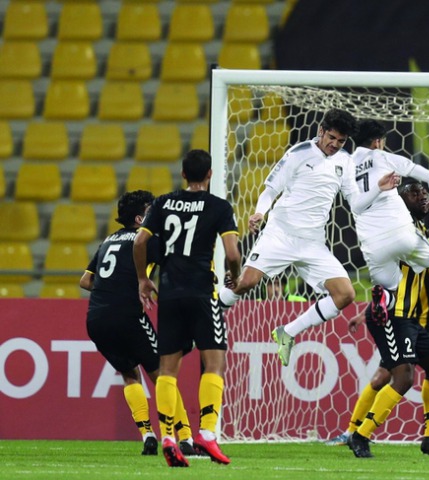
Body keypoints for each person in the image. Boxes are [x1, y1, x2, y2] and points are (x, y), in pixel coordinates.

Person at [218, 109, 389, 366]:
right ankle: (211, 312)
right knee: (245, 283)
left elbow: (355, 202)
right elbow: (270, 189)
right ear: (321, 130)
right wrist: (259, 213)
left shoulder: (345, 161)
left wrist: (378, 189)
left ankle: (287, 332)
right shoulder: (298, 153)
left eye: (340, 141)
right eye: (331, 137)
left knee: (345, 294)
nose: (334, 144)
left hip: (313, 243)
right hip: (281, 234)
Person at [329, 181, 429, 450]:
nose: (422, 196)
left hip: (411, 318)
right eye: (414, 193)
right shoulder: (400, 229)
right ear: (400, 200)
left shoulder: (418, 229)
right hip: (392, 315)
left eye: (424, 193)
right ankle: (360, 434)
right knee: (402, 378)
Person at [134, 150, 241, 467]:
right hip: (201, 293)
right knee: (214, 363)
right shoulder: (219, 207)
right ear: (209, 175)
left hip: (169, 294)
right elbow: (232, 253)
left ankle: (169, 436)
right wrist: (234, 277)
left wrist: (142, 279)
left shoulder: (163, 203)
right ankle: (207, 433)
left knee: (167, 371)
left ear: (182, 174)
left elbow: (140, 242)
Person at [80, 190, 197, 457]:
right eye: (150, 209)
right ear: (139, 217)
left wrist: (112, 289)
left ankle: (147, 435)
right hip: (128, 317)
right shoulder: (147, 241)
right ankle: (187, 439)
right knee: (163, 377)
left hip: (96, 319)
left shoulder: (108, 241)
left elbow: (85, 281)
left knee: (130, 374)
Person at [348, 119, 429, 326]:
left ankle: (383, 297)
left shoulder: (346, 166)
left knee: (391, 290)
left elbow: (356, 205)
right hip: (400, 231)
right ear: (377, 142)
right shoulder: (382, 156)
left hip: (371, 243)